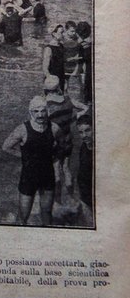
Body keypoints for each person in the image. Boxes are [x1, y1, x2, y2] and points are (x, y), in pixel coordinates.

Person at [3, 95, 61, 226]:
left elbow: (61, 147)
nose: (40, 115)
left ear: (48, 111)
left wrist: (57, 166)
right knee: (23, 216)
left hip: (48, 176)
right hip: (29, 177)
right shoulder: (23, 129)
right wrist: (25, 157)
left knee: (46, 213)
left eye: (43, 111)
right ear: (30, 112)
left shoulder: (54, 128)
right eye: (36, 111)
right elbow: (6, 146)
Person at [44, 75, 89, 204]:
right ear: (58, 87)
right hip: (68, 140)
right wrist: (74, 118)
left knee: (56, 170)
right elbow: (85, 108)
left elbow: (44, 124)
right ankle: (71, 198)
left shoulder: (46, 103)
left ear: (46, 89)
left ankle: (57, 201)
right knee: (66, 169)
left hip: (54, 141)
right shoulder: (68, 99)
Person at [76, 115, 94, 226]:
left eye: (87, 131)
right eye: (81, 132)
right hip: (85, 196)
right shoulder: (84, 146)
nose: (84, 135)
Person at [43, 24, 66, 91]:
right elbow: (45, 67)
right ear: (54, 34)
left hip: (61, 75)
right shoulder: (49, 48)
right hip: (52, 78)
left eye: (63, 32)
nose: (63, 35)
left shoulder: (61, 46)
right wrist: (51, 80)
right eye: (61, 32)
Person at [76, 21, 93, 104]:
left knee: (86, 93)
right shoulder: (91, 43)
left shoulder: (81, 46)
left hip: (87, 73)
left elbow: (80, 64)